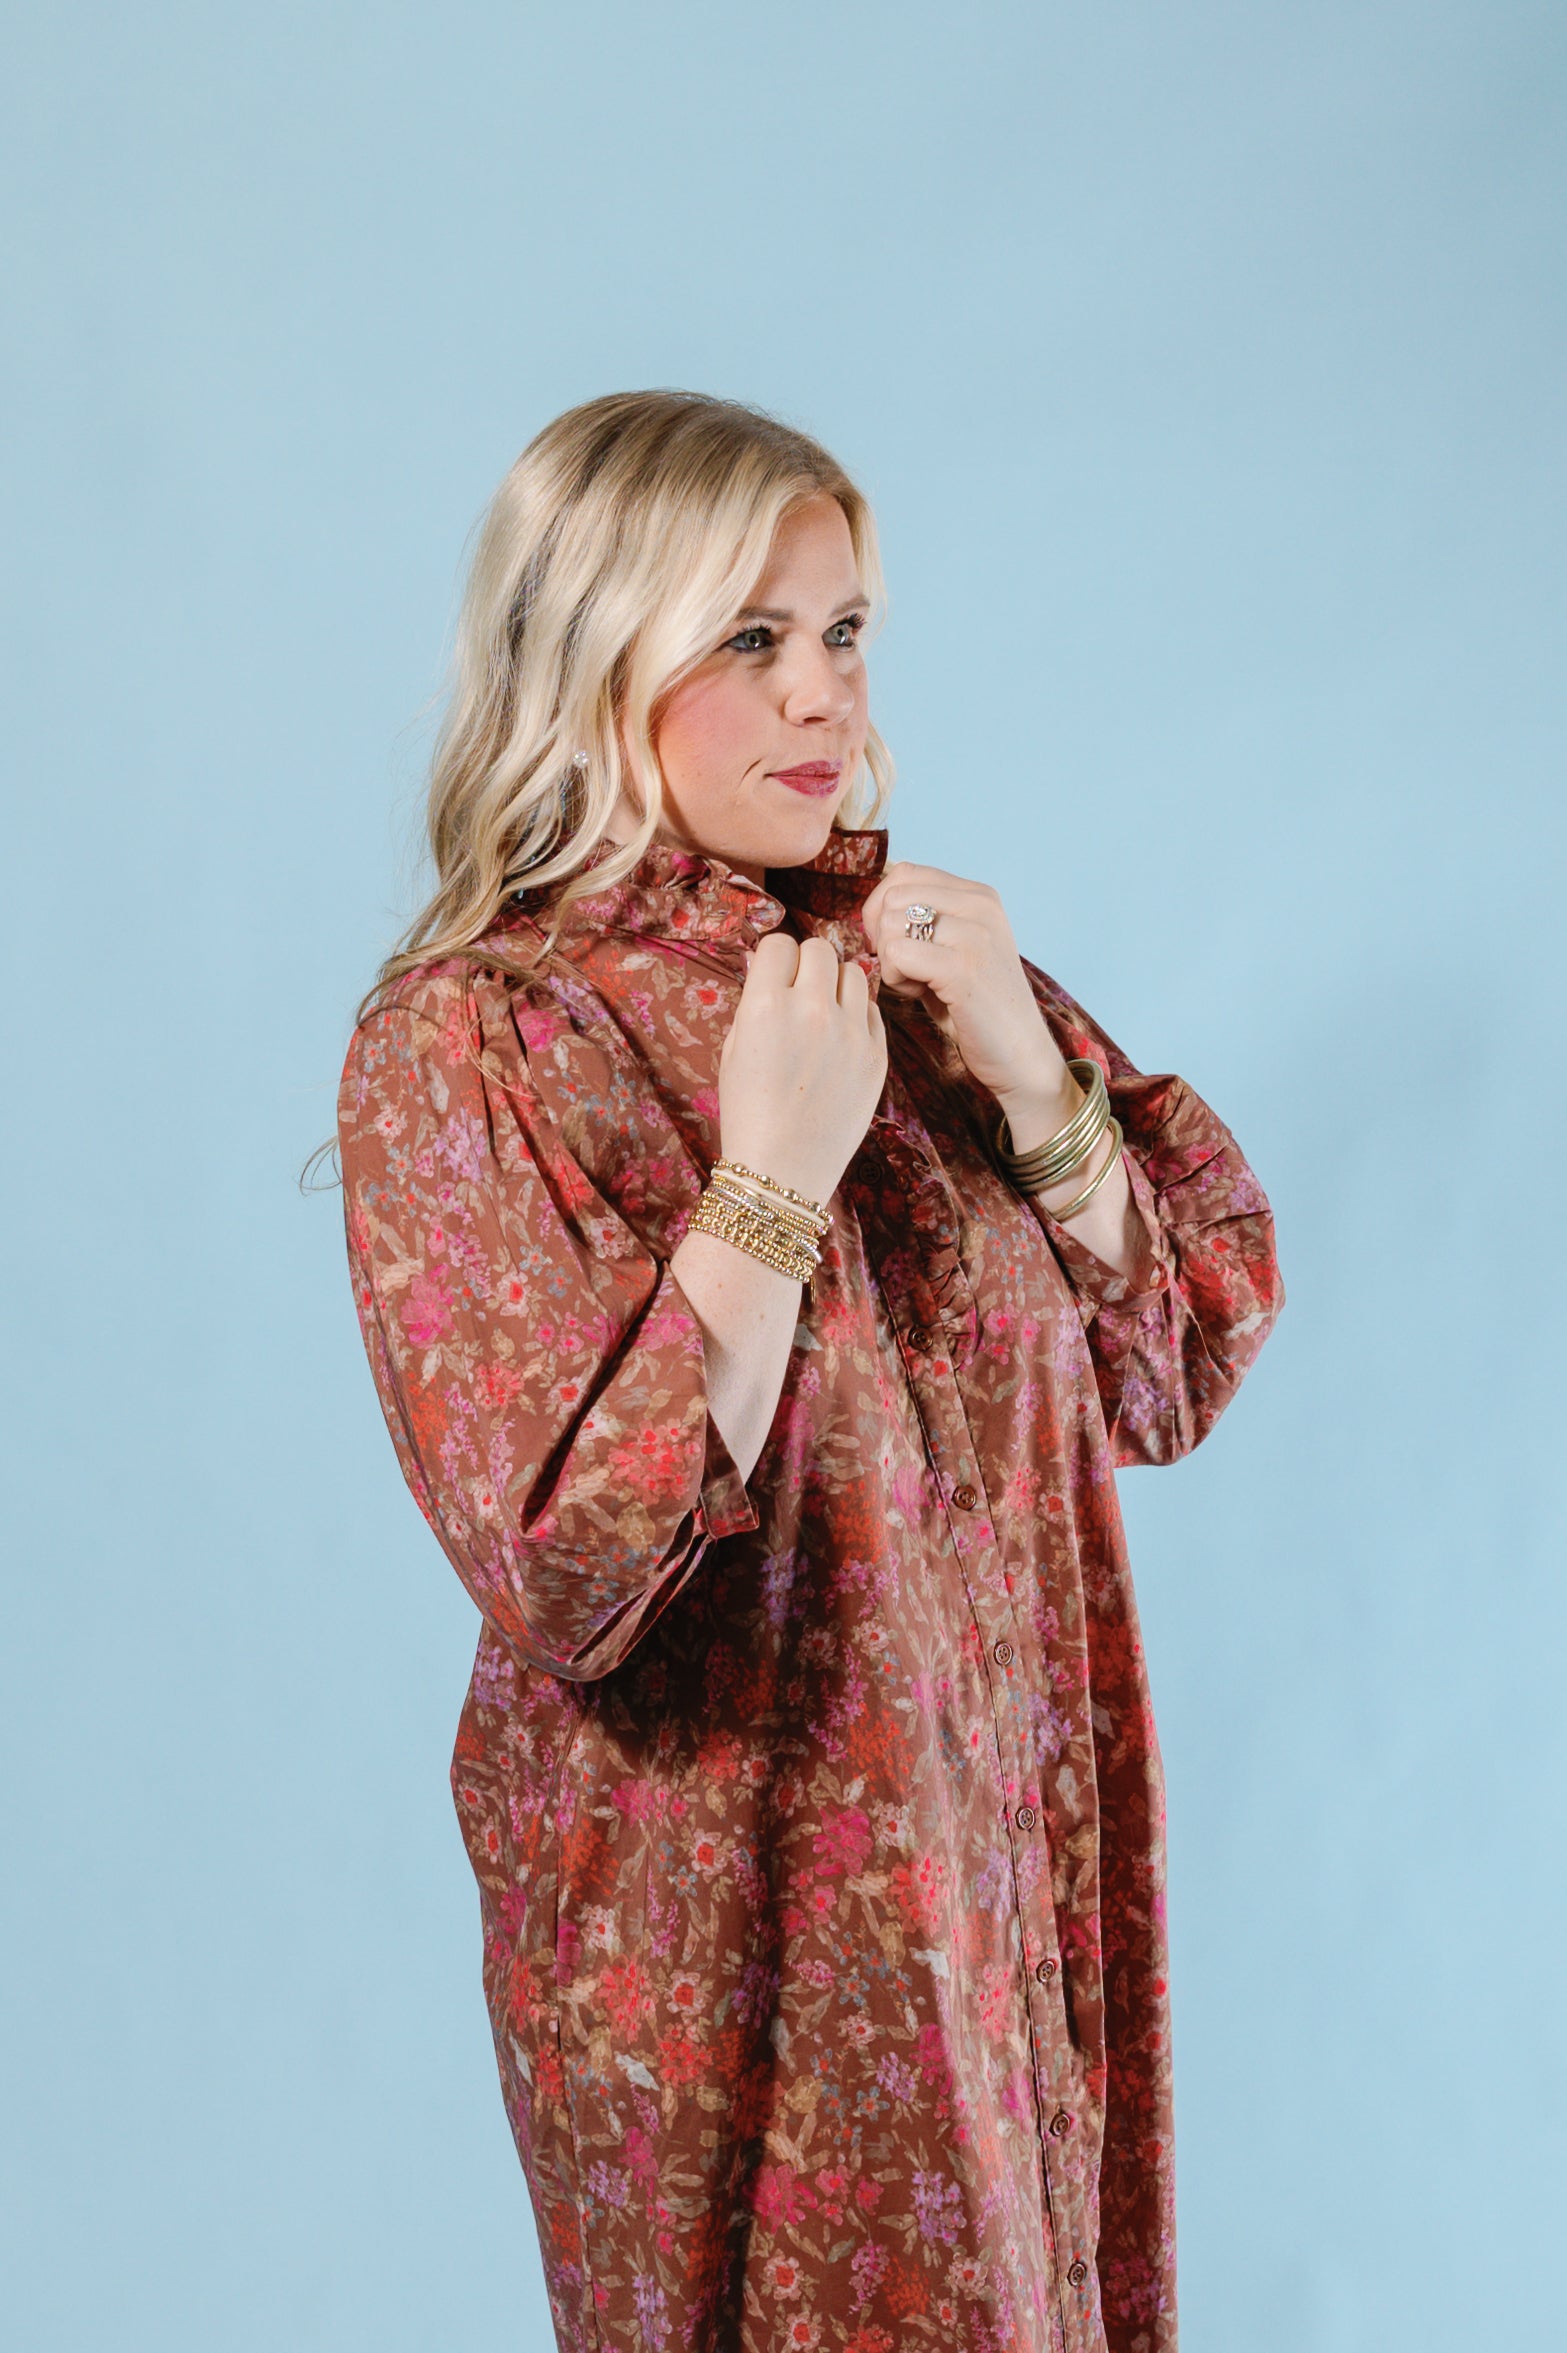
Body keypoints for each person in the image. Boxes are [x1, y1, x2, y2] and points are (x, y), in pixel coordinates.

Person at [336, 389, 1282, 2353]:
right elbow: (568, 1561)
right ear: (596, 653)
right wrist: (765, 1184)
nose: (820, 692)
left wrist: (1023, 1063)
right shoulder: (483, 1039)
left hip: (1007, 1880)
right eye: (749, 636)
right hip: (733, 1935)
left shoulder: (908, 980)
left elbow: (1170, 1358)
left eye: (842, 630)